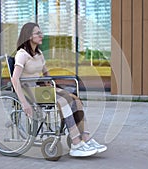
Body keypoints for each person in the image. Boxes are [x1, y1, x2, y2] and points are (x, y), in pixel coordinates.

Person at [11, 22, 107, 157]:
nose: (41, 35)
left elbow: (46, 74)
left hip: (41, 89)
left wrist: (52, 85)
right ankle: (75, 143)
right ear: (28, 36)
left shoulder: (38, 54)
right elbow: (15, 79)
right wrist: (25, 103)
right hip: (29, 92)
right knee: (63, 101)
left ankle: (85, 138)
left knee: (75, 99)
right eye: (37, 33)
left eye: (41, 32)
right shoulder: (22, 54)